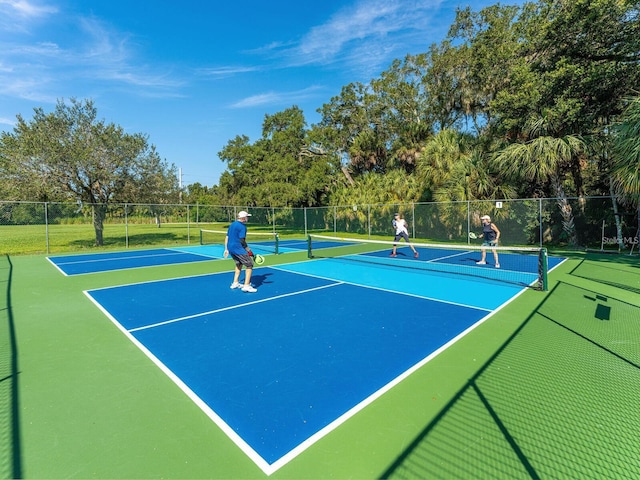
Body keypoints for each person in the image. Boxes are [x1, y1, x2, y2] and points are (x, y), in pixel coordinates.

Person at [224, 211, 257, 293]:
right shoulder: (242, 227)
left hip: (231, 249)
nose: (247, 218)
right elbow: (242, 241)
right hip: (238, 249)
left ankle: (235, 283)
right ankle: (246, 285)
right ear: (243, 218)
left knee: (239, 263)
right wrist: (249, 250)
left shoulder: (232, 224)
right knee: (250, 265)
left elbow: (227, 237)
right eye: (247, 217)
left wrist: (226, 249)